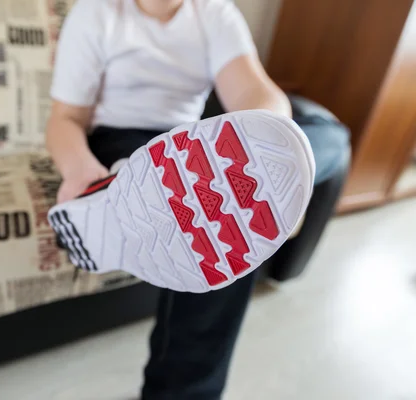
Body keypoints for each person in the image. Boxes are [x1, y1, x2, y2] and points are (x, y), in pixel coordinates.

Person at [45, 0, 349, 398]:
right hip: (119, 138)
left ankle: (152, 201)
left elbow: (254, 89)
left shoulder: (214, 14)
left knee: (326, 138)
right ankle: (117, 190)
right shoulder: (96, 13)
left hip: (189, 148)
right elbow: (65, 118)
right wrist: (80, 170)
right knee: (212, 225)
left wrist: (265, 133)